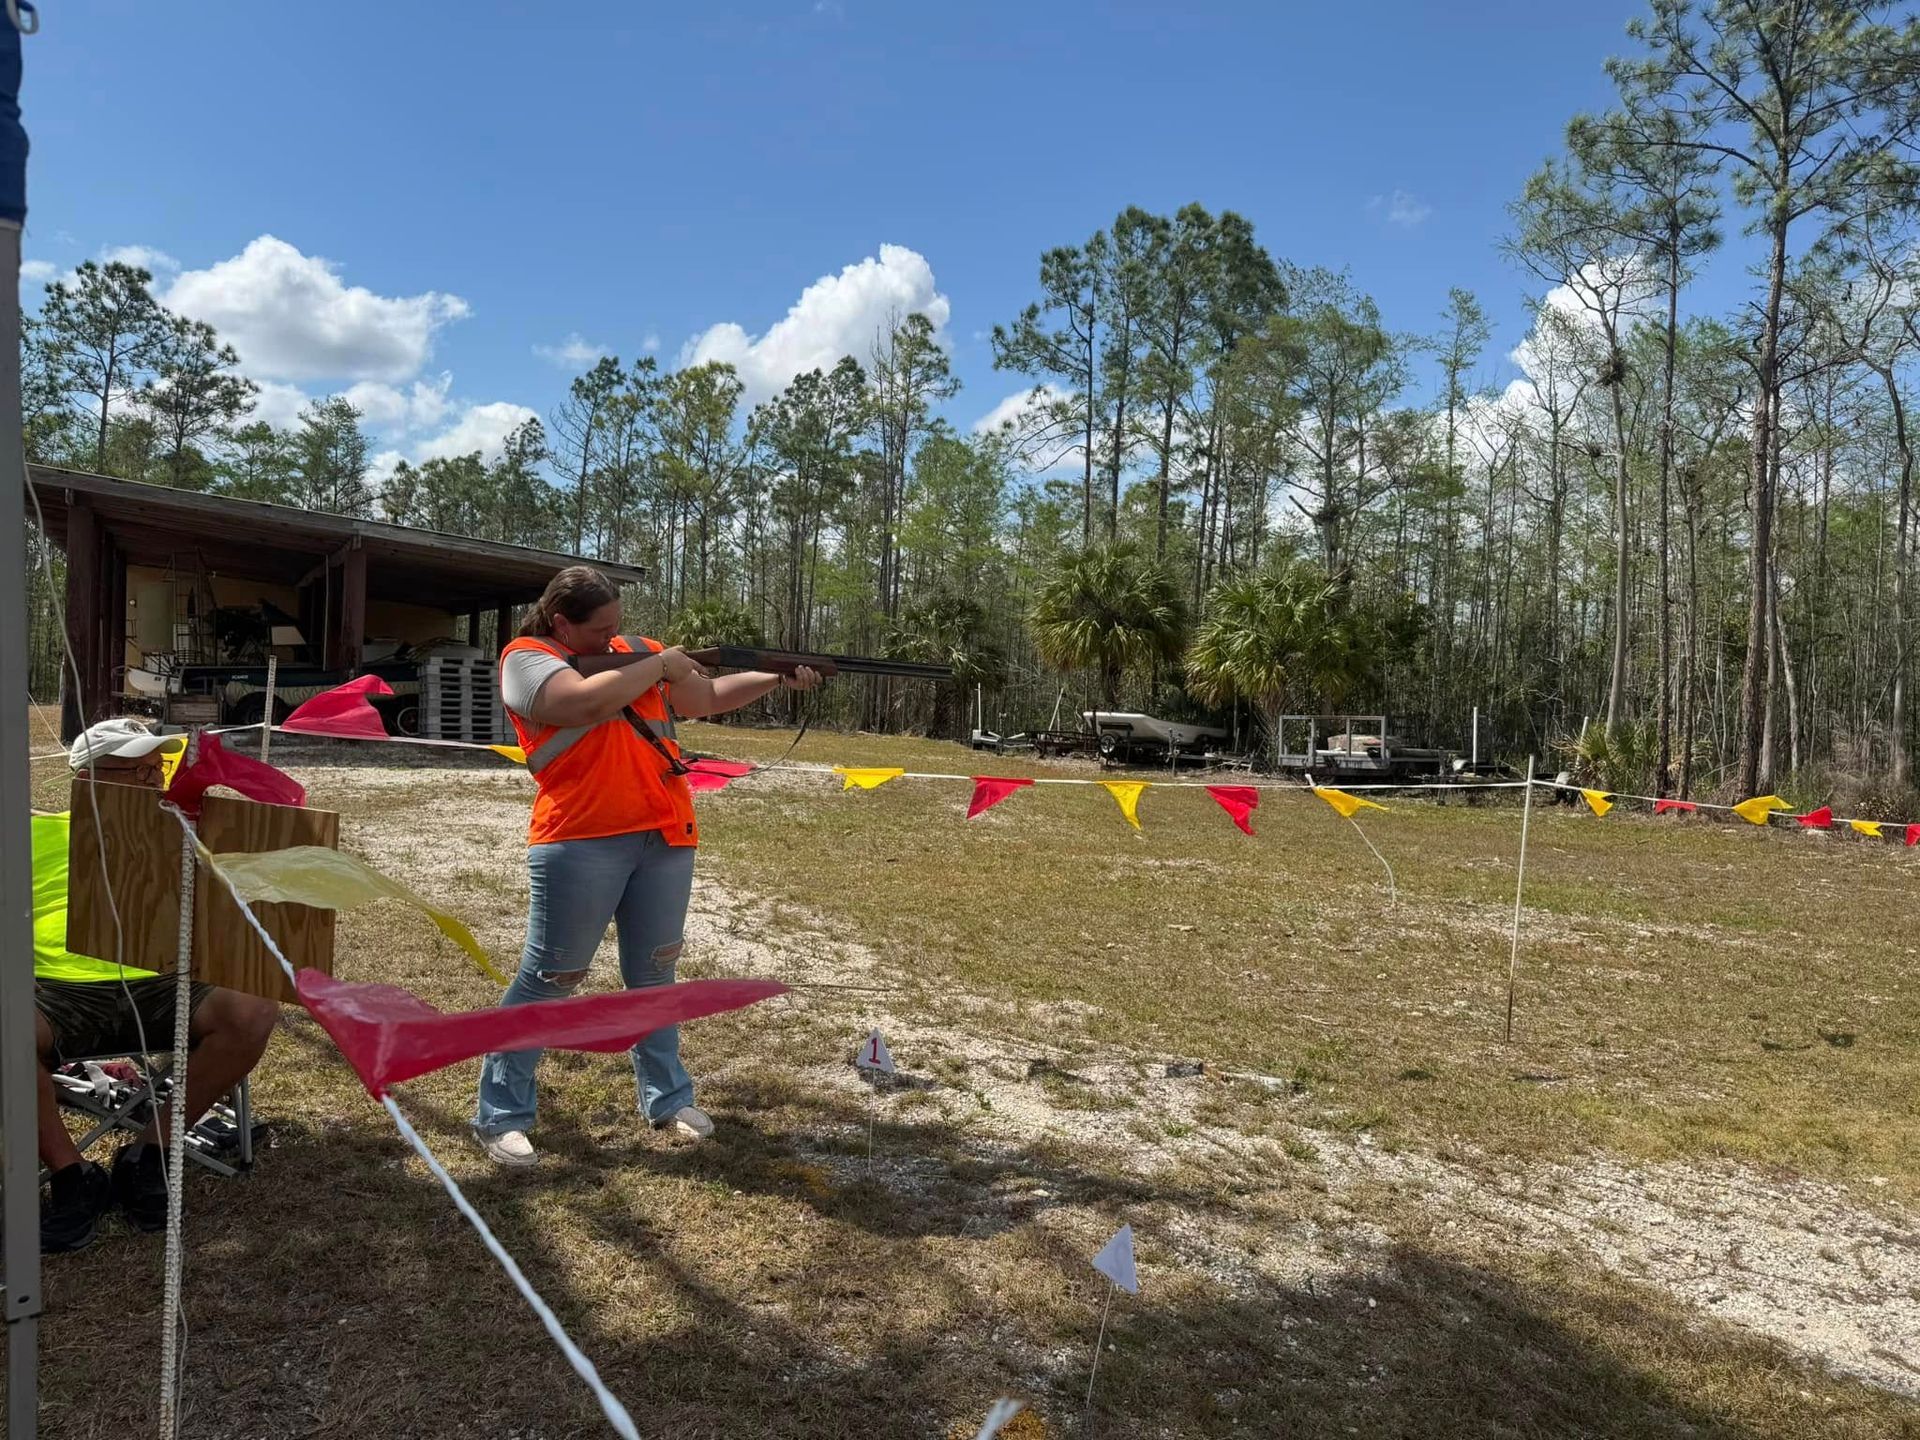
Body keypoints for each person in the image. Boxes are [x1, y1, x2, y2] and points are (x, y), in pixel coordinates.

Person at [473, 566, 821, 1167]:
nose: (612, 637)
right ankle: (502, 1115)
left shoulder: (635, 653)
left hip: (665, 834)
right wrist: (660, 665)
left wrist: (777, 676)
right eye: (599, 629)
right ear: (561, 623)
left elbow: (707, 698)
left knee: (656, 974)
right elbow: (577, 703)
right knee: (551, 977)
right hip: (580, 836)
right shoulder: (525, 658)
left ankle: (668, 1099)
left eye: (617, 624)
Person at [36, 718, 279, 1253]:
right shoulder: (31, 834)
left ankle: (150, 1153)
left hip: (161, 983)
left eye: (157, 770)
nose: (153, 782)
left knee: (253, 1009)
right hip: (55, 991)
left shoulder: (186, 834)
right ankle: (73, 1175)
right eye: (138, 771)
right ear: (88, 779)